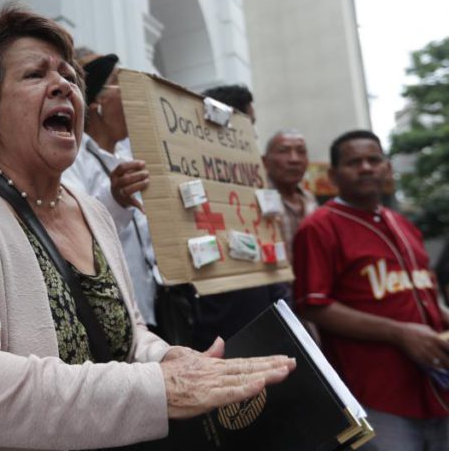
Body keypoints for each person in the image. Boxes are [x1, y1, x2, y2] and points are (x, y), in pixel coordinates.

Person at [0, 5, 295, 450]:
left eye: (69, 76)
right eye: (35, 74)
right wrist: (160, 388)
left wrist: (168, 358)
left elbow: (127, 336)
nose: (64, 85)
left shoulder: (92, 211)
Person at [293, 130, 449, 451]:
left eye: (374, 160)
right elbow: (313, 305)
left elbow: (424, 291)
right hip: (376, 392)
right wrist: (399, 332)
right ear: (333, 175)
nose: (366, 167)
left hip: (435, 383)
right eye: (354, 162)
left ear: (387, 168)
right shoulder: (319, 226)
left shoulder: (403, 224)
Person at [61, 51, 161, 329]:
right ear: (97, 101)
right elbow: (75, 234)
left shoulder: (128, 156)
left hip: (149, 307)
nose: (131, 94)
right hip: (109, 319)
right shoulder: (72, 159)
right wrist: (115, 198)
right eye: (121, 83)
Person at [186, 84, 289, 350]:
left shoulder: (254, 184)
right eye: (249, 125)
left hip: (265, 320)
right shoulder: (188, 182)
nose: (253, 135)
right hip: (216, 333)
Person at [262, 129, 318, 262]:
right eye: (284, 151)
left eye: (301, 152)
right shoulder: (256, 198)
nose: (294, 159)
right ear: (265, 161)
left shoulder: (310, 200)